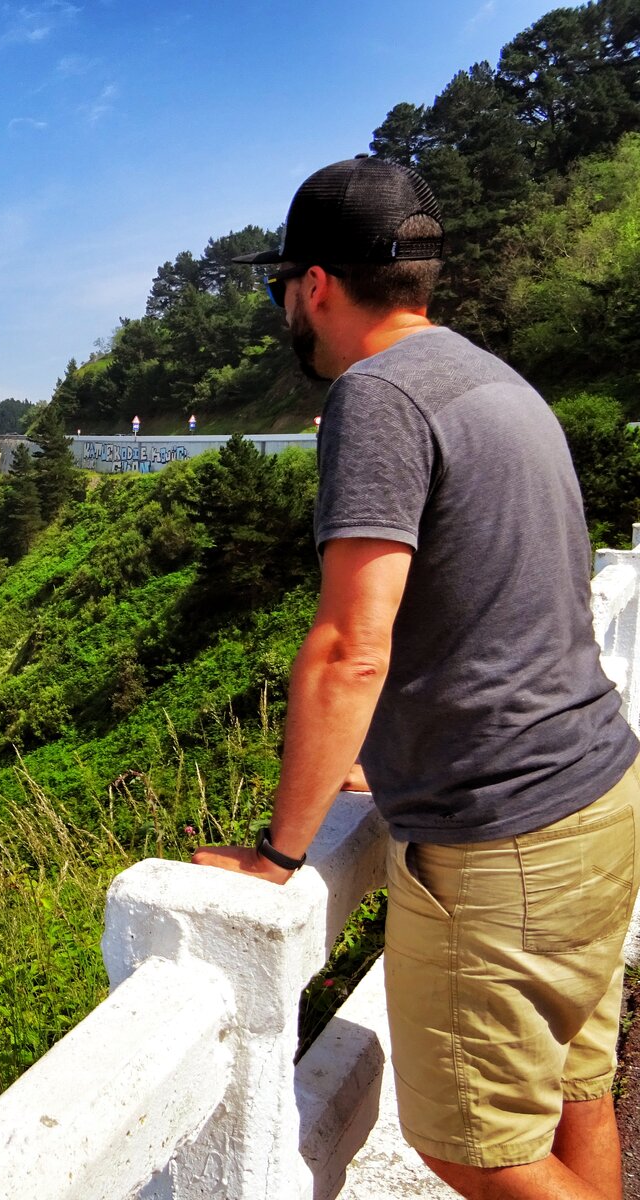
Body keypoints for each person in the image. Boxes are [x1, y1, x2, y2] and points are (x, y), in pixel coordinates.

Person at [192, 155, 640, 1200]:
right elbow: (500, 601)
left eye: (282, 288)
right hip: (597, 795)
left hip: (502, 837)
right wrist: (385, 755)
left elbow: (352, 644)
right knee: (574, 1088)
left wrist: (279, 852)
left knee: (475, 1147)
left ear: (313, 285)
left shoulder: (379, 397)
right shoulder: (494, 380)